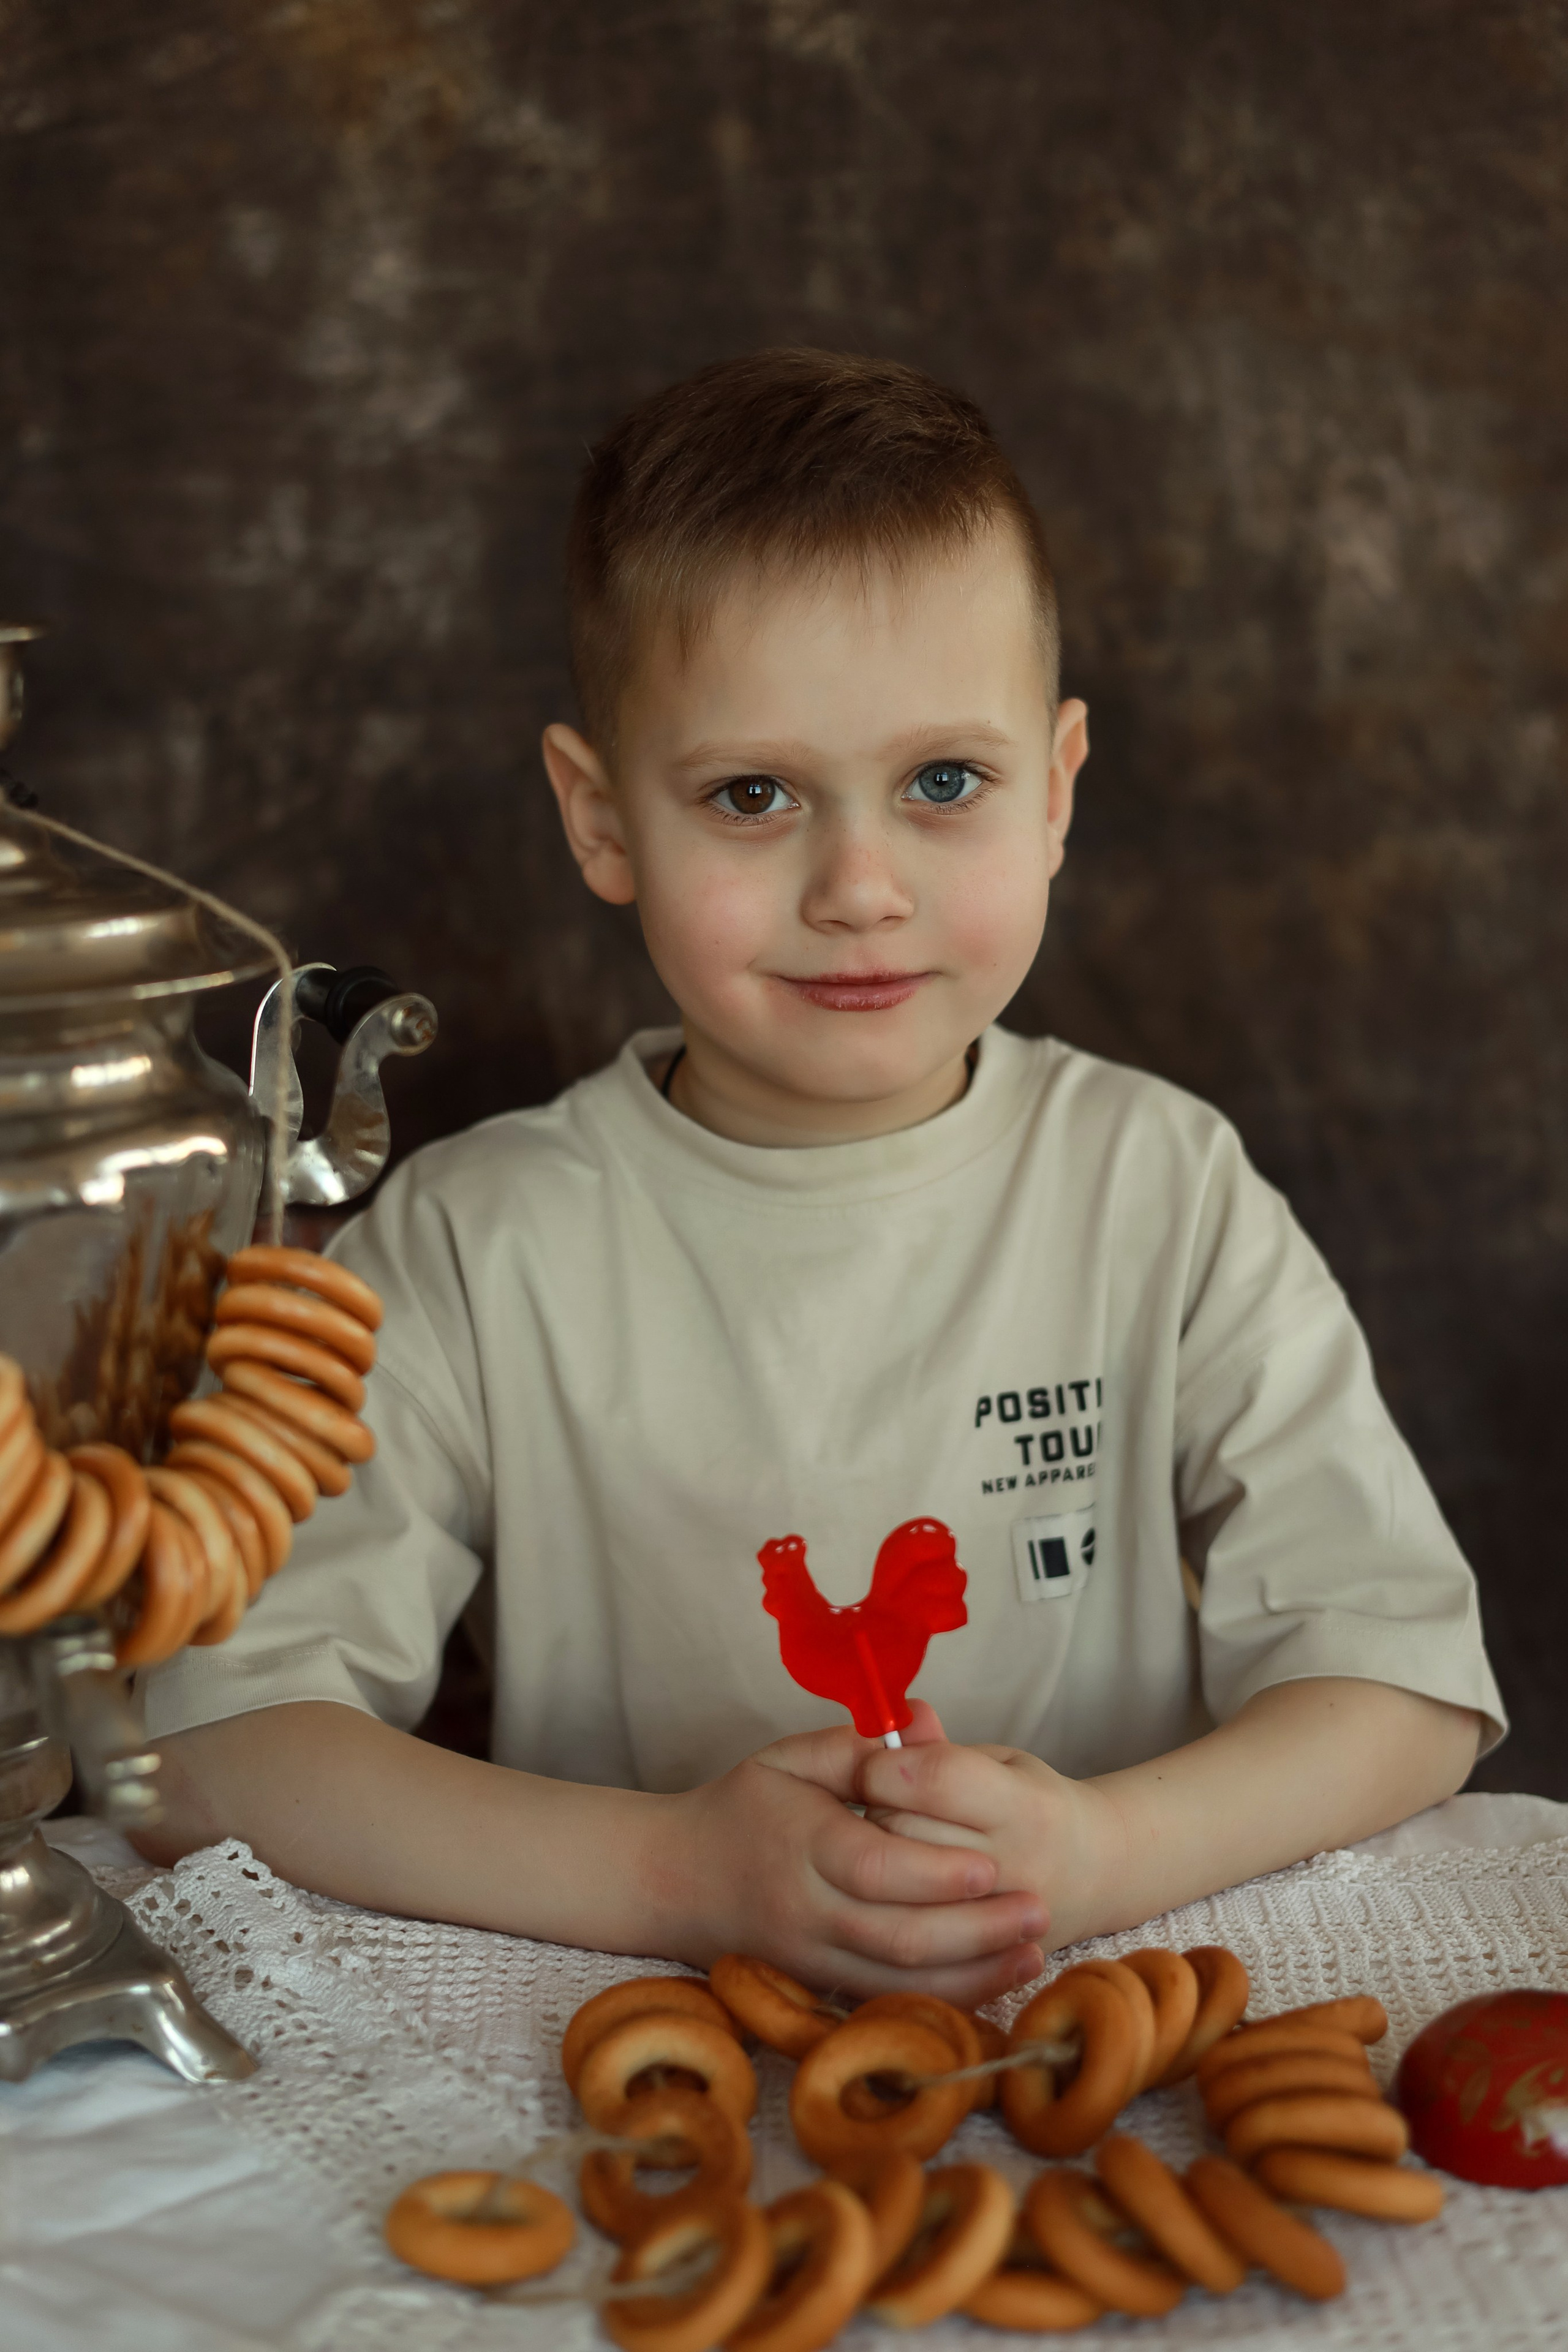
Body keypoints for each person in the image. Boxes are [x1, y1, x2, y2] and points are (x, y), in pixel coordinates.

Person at [141, 350, 1502, 2009]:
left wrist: (1099, 1851)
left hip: (1115, 2026)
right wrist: (675, 1875)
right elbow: (213, 1746)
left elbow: (1406, 1685)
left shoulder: (1162, 1190)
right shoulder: (475, 1247)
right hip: (640, 2054)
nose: (859, 887)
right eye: (753, 795)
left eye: (945, 783)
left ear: (1057, 789)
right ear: (601, 819)